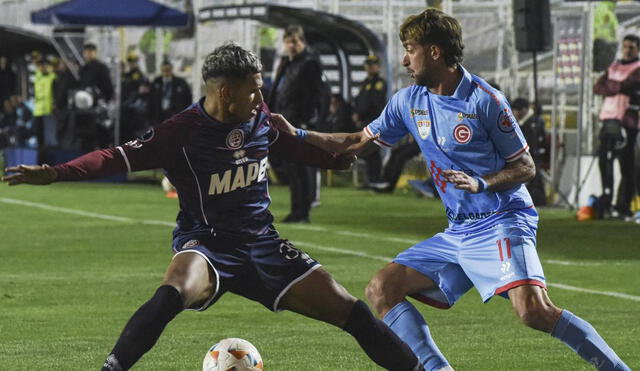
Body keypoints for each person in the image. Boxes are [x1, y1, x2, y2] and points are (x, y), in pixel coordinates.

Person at [1, 42, 423, 371]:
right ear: (226, 91)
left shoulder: (261, 120)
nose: (262, 96)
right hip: (207, 244)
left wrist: (348, 151)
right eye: (254, 89)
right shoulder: (180, 131)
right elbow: (113, 158)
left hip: (263, 244)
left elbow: (306, 150)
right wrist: (56, 172)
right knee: (171, 295)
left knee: (354, 313)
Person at [270, 9, 631, 371]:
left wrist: (482, 182)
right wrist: (298, 134)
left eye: (410, 49)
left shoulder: (485, 101)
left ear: (435, 52)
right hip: (459, 230)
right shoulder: (409, 101)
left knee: (534, 311)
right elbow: (355, 141)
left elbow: (526, 167)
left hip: (502, 220)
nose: (405, 59)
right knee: (383, 288)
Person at [268, 25, 326, 223]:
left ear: (302, 42)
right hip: (284, 122)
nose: (291, 45)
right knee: (291, 168)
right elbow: (278, 91)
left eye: (295, 41)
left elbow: (318, 95)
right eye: (288, 41)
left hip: (300, 124)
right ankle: (296, 211)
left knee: (302, 168)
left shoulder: (310, 63)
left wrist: (309, 122)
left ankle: (304, 212)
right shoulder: (287, 63)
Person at [594, 34, 640, 220]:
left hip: (627, 121)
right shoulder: (613, 66)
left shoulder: (637, 68)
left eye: (631, 47)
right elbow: (598, 87)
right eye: (625, 46)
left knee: (625, 164)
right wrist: (615, 86)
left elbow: (623, 85)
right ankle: (606, 201)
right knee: (604, 161)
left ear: (637, 49)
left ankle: (624, 204)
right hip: (608, 119)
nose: (627, 50)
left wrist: (611, 85)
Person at [353, 55, 388, 186]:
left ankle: (376, 178)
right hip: (364, 121)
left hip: (374, 120)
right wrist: (356, 113)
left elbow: (374, 103)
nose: (369, 68)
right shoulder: (365, 83)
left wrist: (360, 114)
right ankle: (371, 179)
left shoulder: (379, 83)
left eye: (372, 65)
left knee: (373, 149)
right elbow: (358, 100)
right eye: (368, 65)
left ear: (378, 67)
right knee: (367, 151)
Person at [511, 97, 548, 206]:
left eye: (517, 110)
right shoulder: (526, 122)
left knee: (534, 180)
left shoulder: (533, 122)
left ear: (524, 109)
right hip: (528, 156)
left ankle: (538, 201)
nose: (515, 112)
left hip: (533, 156)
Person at [149, 60, 192, 125]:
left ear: (172, 69)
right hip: (158, 117)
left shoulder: (181, 83)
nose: (166, 72)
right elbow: (150, 100)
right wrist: (150, 119)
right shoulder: (156, 82)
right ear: (161, 70)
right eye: (164, 70)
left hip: (175, 117)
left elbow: (188, 100)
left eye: (168, 70)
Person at [33, 58, 58, 149]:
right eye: (41, 66)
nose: (43, 67)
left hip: (49, 110)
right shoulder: (37, 77)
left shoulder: (53, 78)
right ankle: (40, 153)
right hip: (38, 110)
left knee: (50, 135)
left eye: (45, 65)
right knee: (39, 134)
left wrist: (54, 105)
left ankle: (50, 154)